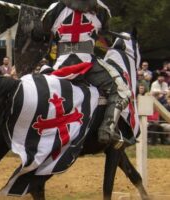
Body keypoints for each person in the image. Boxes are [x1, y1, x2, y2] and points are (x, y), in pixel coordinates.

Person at [37, 0, 131, 144]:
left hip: (61, 64)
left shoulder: (54, 8)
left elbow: (42, 31)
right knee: (121, 90)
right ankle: (106, 130)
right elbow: (104, 28)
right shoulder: (100, 8)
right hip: (87, 63)